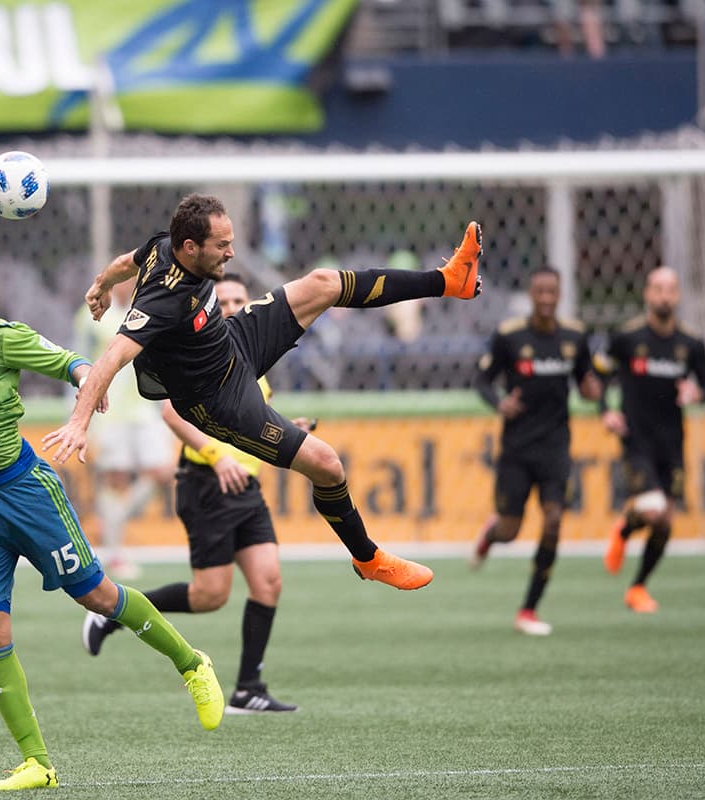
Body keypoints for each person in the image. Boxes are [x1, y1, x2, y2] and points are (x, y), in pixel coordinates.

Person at [0, 171, 223, 792]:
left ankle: (191, 663)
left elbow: (69, 360)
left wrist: (88, 381)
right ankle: (38, 763)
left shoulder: (3, 339)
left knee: (98, 596)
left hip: (23, 491)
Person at [45, 194, 484, 590]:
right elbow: (112, 357)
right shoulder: (161, 301)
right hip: (219, 400)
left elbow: (129, 261)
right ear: (191, 247)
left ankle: (449, 280)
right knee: (327, 464)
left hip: (233, 341)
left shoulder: (165, 245)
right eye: (222, 245)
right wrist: (79, 423)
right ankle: (368, 558)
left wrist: (101, 285)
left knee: (323, 282)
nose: (231, 253)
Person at [82, 273, 305, 713]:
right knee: (209, 595)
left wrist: (292, 430)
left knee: (268, 581)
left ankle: (248, 688)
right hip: (207, 484)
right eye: (224, 300)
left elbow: (251, 416)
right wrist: (216, 457)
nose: (233, 307)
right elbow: (171, 412)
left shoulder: (249, 352)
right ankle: (114, 613)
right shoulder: (198, 348)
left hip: (245, 486)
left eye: (240, 300)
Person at [469, 266, 601, 635]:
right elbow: (482, 381)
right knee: (510, 530)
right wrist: (500, 403)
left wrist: (594, 391)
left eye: (551, 291)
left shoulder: (575, 336)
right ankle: (490, 534)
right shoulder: (510, 336)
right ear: (531, 294)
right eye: (539, 291)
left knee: (554, 521)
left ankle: (528, 609)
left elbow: (588, 382)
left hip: (556, 445)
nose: (545, 298)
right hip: (517, 447)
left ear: (559, 294)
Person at [594, 266, 705, 613]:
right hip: (636, 440)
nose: (664, 296)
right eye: (658, 289)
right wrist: (606, 410)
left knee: (665, 523)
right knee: (655, 510)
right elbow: (599, 375)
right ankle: (625, 530)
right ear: (647, 293)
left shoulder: (691, 343)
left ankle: (637, 587)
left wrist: (696, 393)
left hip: (672, 443)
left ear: (677, 295)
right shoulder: (627, 338)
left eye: (670, 289)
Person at [72, 279, 174, 580]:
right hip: (110, 411)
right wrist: (79, 411)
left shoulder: (151, 309)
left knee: (163, 472)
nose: (131, 282)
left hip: (146, 408)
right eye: (126, 276)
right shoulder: (92, 314)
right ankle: (114, 554)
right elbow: (78, 357)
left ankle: (112, 523)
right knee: (115, 479)